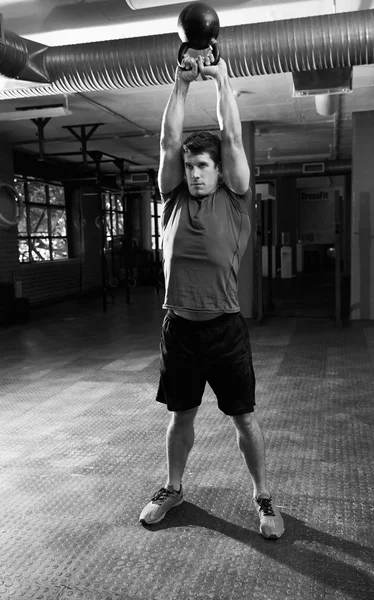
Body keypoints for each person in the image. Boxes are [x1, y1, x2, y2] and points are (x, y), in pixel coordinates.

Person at [139, 53, 284, 540]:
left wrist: (222, 79)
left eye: (203, 165)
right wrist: (179, 87)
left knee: (243, 416)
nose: (196, 172)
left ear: (220, 171)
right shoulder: (173, 198)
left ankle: (263, 496)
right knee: (181, 415)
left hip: (224, 328)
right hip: (178, 327)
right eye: (190, 166)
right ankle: (172, 487)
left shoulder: (236, 198)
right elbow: (167, 141)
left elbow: (234, 139)